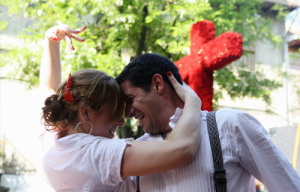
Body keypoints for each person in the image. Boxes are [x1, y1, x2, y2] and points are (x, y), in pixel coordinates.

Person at [39, 24, 202, 192]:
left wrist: (51, 41)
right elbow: (182, 149)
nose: (122, 121)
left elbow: (48, 87)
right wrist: (193, 102)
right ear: (86, 113)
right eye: (114, 112)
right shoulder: (99, 154)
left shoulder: (57, 133)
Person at [116, 53, 300, 192]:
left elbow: (289, 187)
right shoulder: (136, 152)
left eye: (130, 99)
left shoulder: (230, 125)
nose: (128, 112)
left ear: (157, 84)